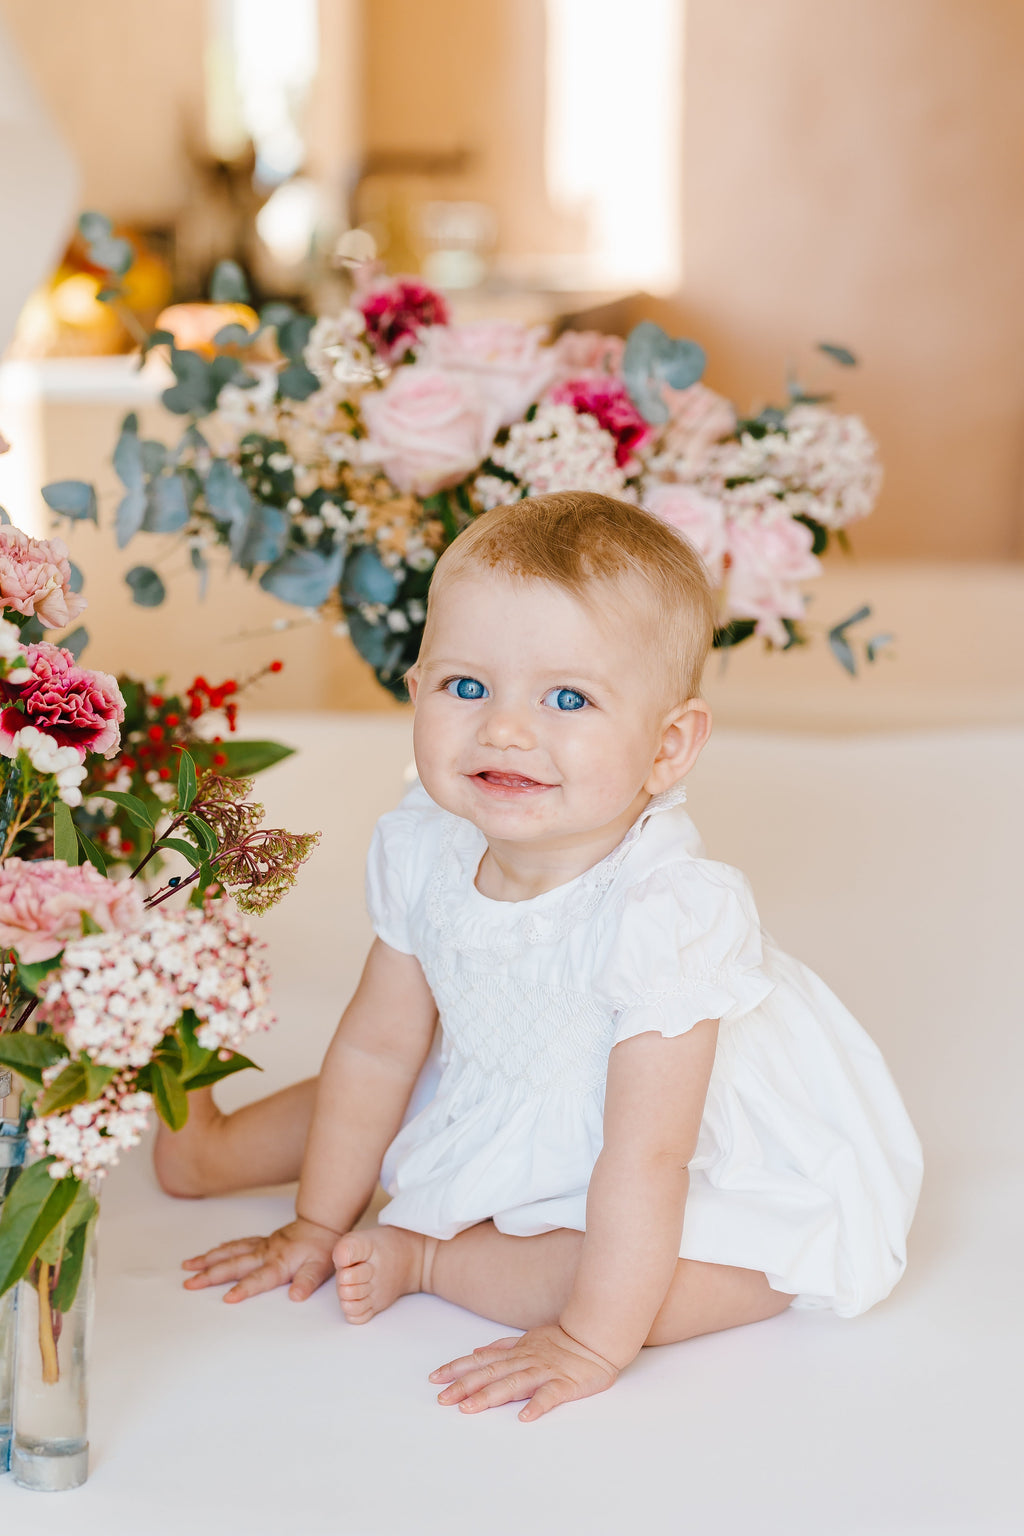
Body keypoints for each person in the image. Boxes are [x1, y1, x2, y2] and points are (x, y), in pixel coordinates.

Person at [159, 491, 923, 1422]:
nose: (506, 729)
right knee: (376, 1089)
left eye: (569, 698)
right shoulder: (428, 841)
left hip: (655, 1129)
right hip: (501, 1070)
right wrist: (317, 1223)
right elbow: (377, 1050)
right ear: (417, 690)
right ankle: (209, 1146)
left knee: (718, 1273)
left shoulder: (665, 911)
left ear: (667, 745)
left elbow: (648, 1158)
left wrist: (595, 1341)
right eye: (466, 687)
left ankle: (434, 1257)